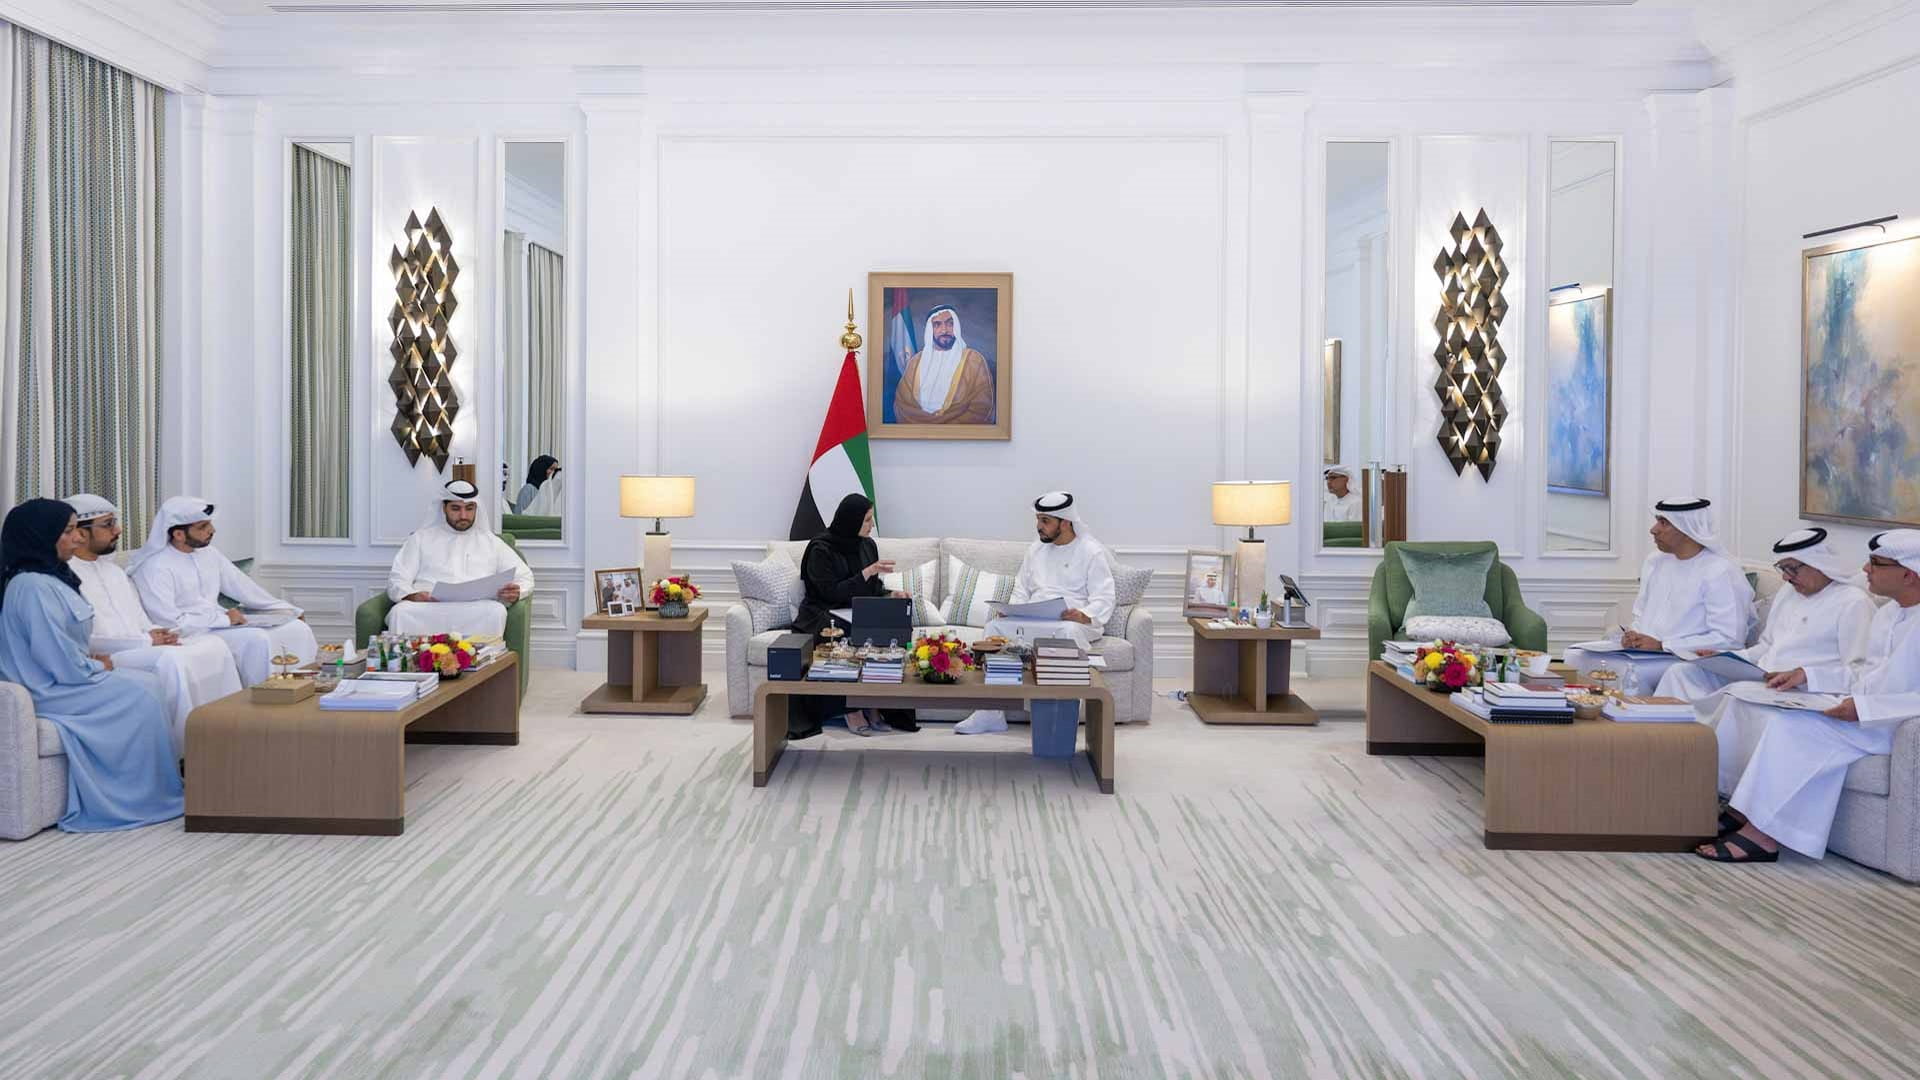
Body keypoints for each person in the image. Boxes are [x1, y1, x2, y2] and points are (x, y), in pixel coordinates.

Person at [1697, 530, 1920, 864]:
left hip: (1891, 725)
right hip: (1858, 711)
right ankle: (1741, 810)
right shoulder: (1890, 614)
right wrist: (1808, 676)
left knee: (1790, 729)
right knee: (1758, 705)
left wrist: (1864, 708)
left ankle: (1762, 837)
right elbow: (1864, 674)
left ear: (1909, 574)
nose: (1865, 569)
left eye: (1876, 563)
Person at [0, 499, 182, 831]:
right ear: (41, 536)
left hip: (67, 677)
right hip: (48, 689)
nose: (77, 538)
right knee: (140, 694)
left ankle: (157, 790)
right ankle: (135, 798)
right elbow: (54, 655)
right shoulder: (32, 586)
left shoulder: (52, 578)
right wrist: (95, 667)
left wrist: (89, 662)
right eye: (68, 531)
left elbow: (63, 646)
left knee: (149, 685)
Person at [64, 493, 242, 757]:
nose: (118, 530)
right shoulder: (67, 576)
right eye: (108, 524)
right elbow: (84, 640)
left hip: (141, 645)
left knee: (213, 645)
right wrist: (148, 640)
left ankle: (228, 736)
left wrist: (158, 634)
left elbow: (140, 620)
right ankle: (186, 754)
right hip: (109, 655)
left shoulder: (114, 572)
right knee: (171, 660)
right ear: (80, 532)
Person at [1656, 527, 1875, 710]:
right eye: (1783, 569)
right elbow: (1767, 646)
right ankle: (1664, 740)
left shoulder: (1853, 603)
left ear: (1819, 564)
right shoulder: (1789, 592)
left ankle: (1701, 744)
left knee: (1737, 695)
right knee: (1682, 673)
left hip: (1807, 691)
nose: (1786, 577)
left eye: (1792, 569)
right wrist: (1725, 657)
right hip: (1763, 678)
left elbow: (1861, 673)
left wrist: (1806, 676)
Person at [958, 491, 1116, 735]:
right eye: (1038, 520)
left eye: (1045, 521)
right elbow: (1022, 590)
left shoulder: (1091, 551)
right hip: (1035, 618)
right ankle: (989, 713)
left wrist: (1084, 614)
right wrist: (1011, 610)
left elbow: (1104, 597)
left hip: (1072, 621)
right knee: (993, 628)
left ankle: (1057, 718)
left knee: (1067, 633)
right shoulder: (1035, 550)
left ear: (1065, 523)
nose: (1039, 526)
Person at [1566, 497, 1753, 691]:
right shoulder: (1655, 561)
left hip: (1682, 657)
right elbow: (1641, 614)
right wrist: (1633, 636)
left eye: (1663, 523)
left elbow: (1729, 638)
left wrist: (1663, 645)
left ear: (1687, 529)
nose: (1653, 530)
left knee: (1631, 673)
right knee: (1575, 656)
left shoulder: (1720, 571)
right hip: (1644, 654)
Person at [130, 496, 319, 686]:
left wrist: (287, 609)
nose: (212, 530)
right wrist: (225, 620)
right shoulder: (154, 567)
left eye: (209, 524)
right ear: (178, 534)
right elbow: (170, 622)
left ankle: (306, 689)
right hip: (192, 633)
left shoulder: (209, 553)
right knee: (256, 639)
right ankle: (266, 697)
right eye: (203, 527)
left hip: (220, 624)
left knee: (296, 628)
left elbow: (242, 586)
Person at [793, 493, 914, 737]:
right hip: (822, 612)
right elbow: (829, 593)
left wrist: (891, 595)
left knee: (890, 627)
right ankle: (852, 708)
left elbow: (872, 588)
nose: (872, 525)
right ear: (851, 520)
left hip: (855, 609)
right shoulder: (820, 548)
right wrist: (866, 573)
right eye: (867, 520)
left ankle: (875, 703)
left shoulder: (867, 545)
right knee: (842, 632)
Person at [386, 479, 534, 638]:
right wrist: (413, 595)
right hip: (429, 608)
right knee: (400, 612)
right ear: (444, 508)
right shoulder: (420, 539)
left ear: (476, 508)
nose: (463, 516)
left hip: (474, 609)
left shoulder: (491, 542)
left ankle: (481, 654)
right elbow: (397, 578)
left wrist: (517, 591)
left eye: (469, 508)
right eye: (456, 508)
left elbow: (525, 577)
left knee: (495, 612)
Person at [891, 306, 994, 426]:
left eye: (950, 324)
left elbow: (982, 406)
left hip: (959, 433)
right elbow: (902, 403)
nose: (944, 330)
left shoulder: (974, 360)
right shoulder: (916, 362)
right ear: (930, 330)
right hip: (917, 432)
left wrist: (946, 430)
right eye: (937, 325)